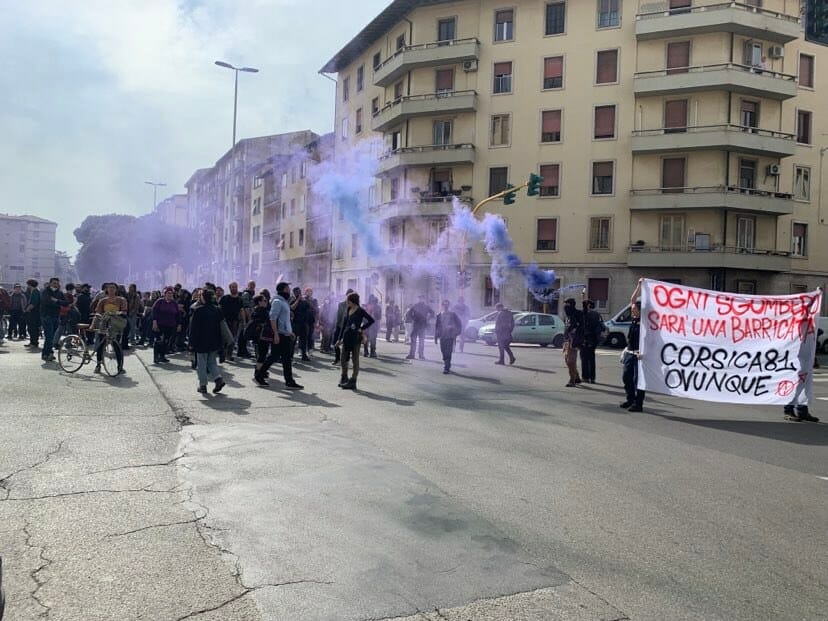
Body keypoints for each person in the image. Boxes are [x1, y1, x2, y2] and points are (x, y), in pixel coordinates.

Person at [257, 282, 303, 389]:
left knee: (285, 358)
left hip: (285, 334)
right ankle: (260, 375)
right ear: (282, 290)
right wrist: (276, 334)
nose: (289, 290)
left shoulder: (284, 301)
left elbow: (284, 319)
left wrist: (290, 332)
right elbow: (272, 318)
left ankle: (289, 381)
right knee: (274, 356)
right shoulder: (277, 301)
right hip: (280, 335)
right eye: (287, 288)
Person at [188, 288, 226, 394]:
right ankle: (218, 379)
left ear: (203, 298)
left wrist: (191, 344)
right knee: (212, 362)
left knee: (201, 364)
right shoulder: (217, 309)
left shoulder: (198, 311)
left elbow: (194, 329)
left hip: (201, 342)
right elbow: (221, 327)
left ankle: (203, 385)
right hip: (214, 341)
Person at [336, 292, 374, 390]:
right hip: (346, 337)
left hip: (355, 338)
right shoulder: (348, 309)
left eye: (348, 300)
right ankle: (344, 377)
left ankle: (353, 381)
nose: (347, 302)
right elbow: (343, 325)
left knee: (355, 359)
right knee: (343, 358)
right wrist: (339, 339)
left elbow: (371, 320)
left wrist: (361, 328)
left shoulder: (360, 310)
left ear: (353, 301)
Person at [621, 281, 645, 412]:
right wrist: (639, 286)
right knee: (626, 377)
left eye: (635, 309)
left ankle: (638, 403)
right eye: (632, 309)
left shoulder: (645, 322)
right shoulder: (634, 320)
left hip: (639, 355)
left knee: (638, 380)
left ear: (641, 311)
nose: (633, 310)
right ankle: (630, 399)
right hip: (629, 352)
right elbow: (632, 300)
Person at [94, 283, 128, 374]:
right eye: (109, 288)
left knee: (116, 346)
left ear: (116, 289)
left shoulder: (121, 300)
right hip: (104, 324)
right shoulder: (102, 300)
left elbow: (124, 311)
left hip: (115, 325)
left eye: (113, 288)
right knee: (101, 345)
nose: (111, 289)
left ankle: (120, 366)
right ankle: (98, 365)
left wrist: (117, 313)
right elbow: (98, 312)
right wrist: (100, 317)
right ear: (107, 289)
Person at [40, 277, 68, 362]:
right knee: (49, 336)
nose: (56, 285)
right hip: (47, 316)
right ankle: (48, 353)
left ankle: (46, 352)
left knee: (52, 336)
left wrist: (56, 300)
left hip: (56, 316)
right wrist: (58, 303)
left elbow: (66, 303)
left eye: (57, 283)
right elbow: (46, 302)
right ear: (50, 283)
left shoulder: (59, 293)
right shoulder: (45, 291)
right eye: (54, 283)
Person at [250, 295, 275, 385]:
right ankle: (258, 373)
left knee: (261, 355)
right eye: (264, 300)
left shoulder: (256, 310)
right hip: (262, 336)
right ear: (259, 302)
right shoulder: (262, 311)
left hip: (258, 337)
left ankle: (260, 372)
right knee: (262, 355)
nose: (266, 302)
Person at [152, 287, 180, 364]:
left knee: (166, 341)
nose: (170, 295)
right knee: (159, 341)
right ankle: (156, 357)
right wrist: (154, 322)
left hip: (170, 325)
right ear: (165, 294)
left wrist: (178, 325)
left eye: (171, 293)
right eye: (168, 293)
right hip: (160, 324)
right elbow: (154, 312)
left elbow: (177, 315)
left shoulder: (174, 303)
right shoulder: (159, 302)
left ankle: (162, 356)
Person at [434, 299, 462, 374]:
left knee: (448, 351)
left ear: (449, 305)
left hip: (450, 336)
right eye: (444, 305)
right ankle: (446, 362)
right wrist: (436, 337)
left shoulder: (453, 314)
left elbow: (459, 324)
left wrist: (455, 331)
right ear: (442, 306)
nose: (445, 306)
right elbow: (437, 327)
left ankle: (447, 367)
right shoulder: (439, 315)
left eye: (447, 305)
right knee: (443, 351)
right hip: (442, 336)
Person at [580, 299, 604, 384]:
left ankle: (585, 377)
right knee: (592, 359)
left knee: (584, 359)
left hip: (586, 339)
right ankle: (592, 378)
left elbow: (583, 327)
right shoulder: (597, 314)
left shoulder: (585, 314)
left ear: (588, 305)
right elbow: (602, 326)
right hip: (594, 340)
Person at [219, 282, 244, 362]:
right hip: (224, 321)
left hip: (235, 322)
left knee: (232, 339)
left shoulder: (240, 299)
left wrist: (244, 321)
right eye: (232, 287)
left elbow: (241, 310)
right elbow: (219, 308)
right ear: (230, 288)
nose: (234, 288)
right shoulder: (224, 298)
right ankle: (222, 353)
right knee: (224, 339)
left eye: (235, 287)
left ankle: (229, 355)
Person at [562, 297, 584, 387]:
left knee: (571, 361)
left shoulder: (577, 314)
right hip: (567, 340)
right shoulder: (568, 314)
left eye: (567, 304)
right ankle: (577, 377)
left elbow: (577, 326)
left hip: (574, 340)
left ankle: (572, 380)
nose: (565, 306)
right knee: (567, 360)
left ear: (571, 305)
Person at [405, 295, 434, 360]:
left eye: (422, 298)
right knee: (418, 340)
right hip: (419, 325)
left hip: (419, 325)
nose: (421, 300)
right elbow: (409, 313)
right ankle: (419, 355)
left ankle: (415, 354)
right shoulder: (423, 306)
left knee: (418, 340)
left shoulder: (419, 306)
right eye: (421, 298)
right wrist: (427, 319)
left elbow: (409, 314)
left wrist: (413, 318)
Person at [331, 289, 353, 365]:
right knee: (335, 342)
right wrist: (336, 325)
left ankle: (346, 361)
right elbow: (338, 315)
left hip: (349, 328)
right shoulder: (341, 304)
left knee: (347, 345)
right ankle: (337, 359)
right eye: (348, 295)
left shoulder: (355, 305)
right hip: (339, 326)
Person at [24, 279, 41, 349]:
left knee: (33, 328)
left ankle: (34, 342)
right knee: (31, 328)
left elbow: (34, 303)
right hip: (35, 312)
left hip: (34, 312)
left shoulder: (35, 291)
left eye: (28, 285)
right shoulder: (34, 291)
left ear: (30, 285)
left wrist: (27, 309)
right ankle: (32, 342)